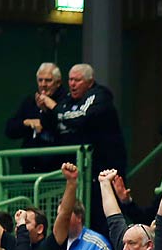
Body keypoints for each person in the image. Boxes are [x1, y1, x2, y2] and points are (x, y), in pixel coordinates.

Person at [54, 64, 128, 192]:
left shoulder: (100, 95)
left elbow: (81, 117)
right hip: (78, 167)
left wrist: (56, 110)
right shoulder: (67, 99)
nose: (72, 84)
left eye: (77, 80)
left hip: (104, 164)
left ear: (89, 82)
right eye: (70, 80)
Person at [5, 62, 69, 172]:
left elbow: (63, 126)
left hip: (57, 169)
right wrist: (26, 122)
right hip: (30, 168)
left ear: (58, 83)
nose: (43, 84)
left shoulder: (67, 101)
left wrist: (48, 111)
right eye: (40, 80)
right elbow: (10, 129)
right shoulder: (30, 101)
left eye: (48, 80)